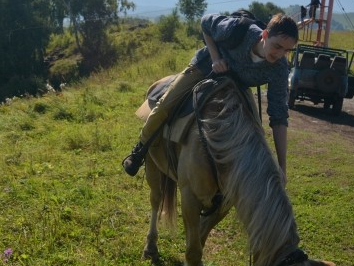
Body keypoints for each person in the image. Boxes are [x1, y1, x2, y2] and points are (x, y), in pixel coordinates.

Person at [122, 12, 299, 184]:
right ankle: (139, 150)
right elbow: (206, 22)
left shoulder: (279, 68)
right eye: (277, 46)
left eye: (287, 50)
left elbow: (279, 116)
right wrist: (216, 58)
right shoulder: (238, 29)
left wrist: (282, 167)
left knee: (256, 131)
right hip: (205, 66)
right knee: (165, 104)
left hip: (236, 83)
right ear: (265, 34)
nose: (280, 54)